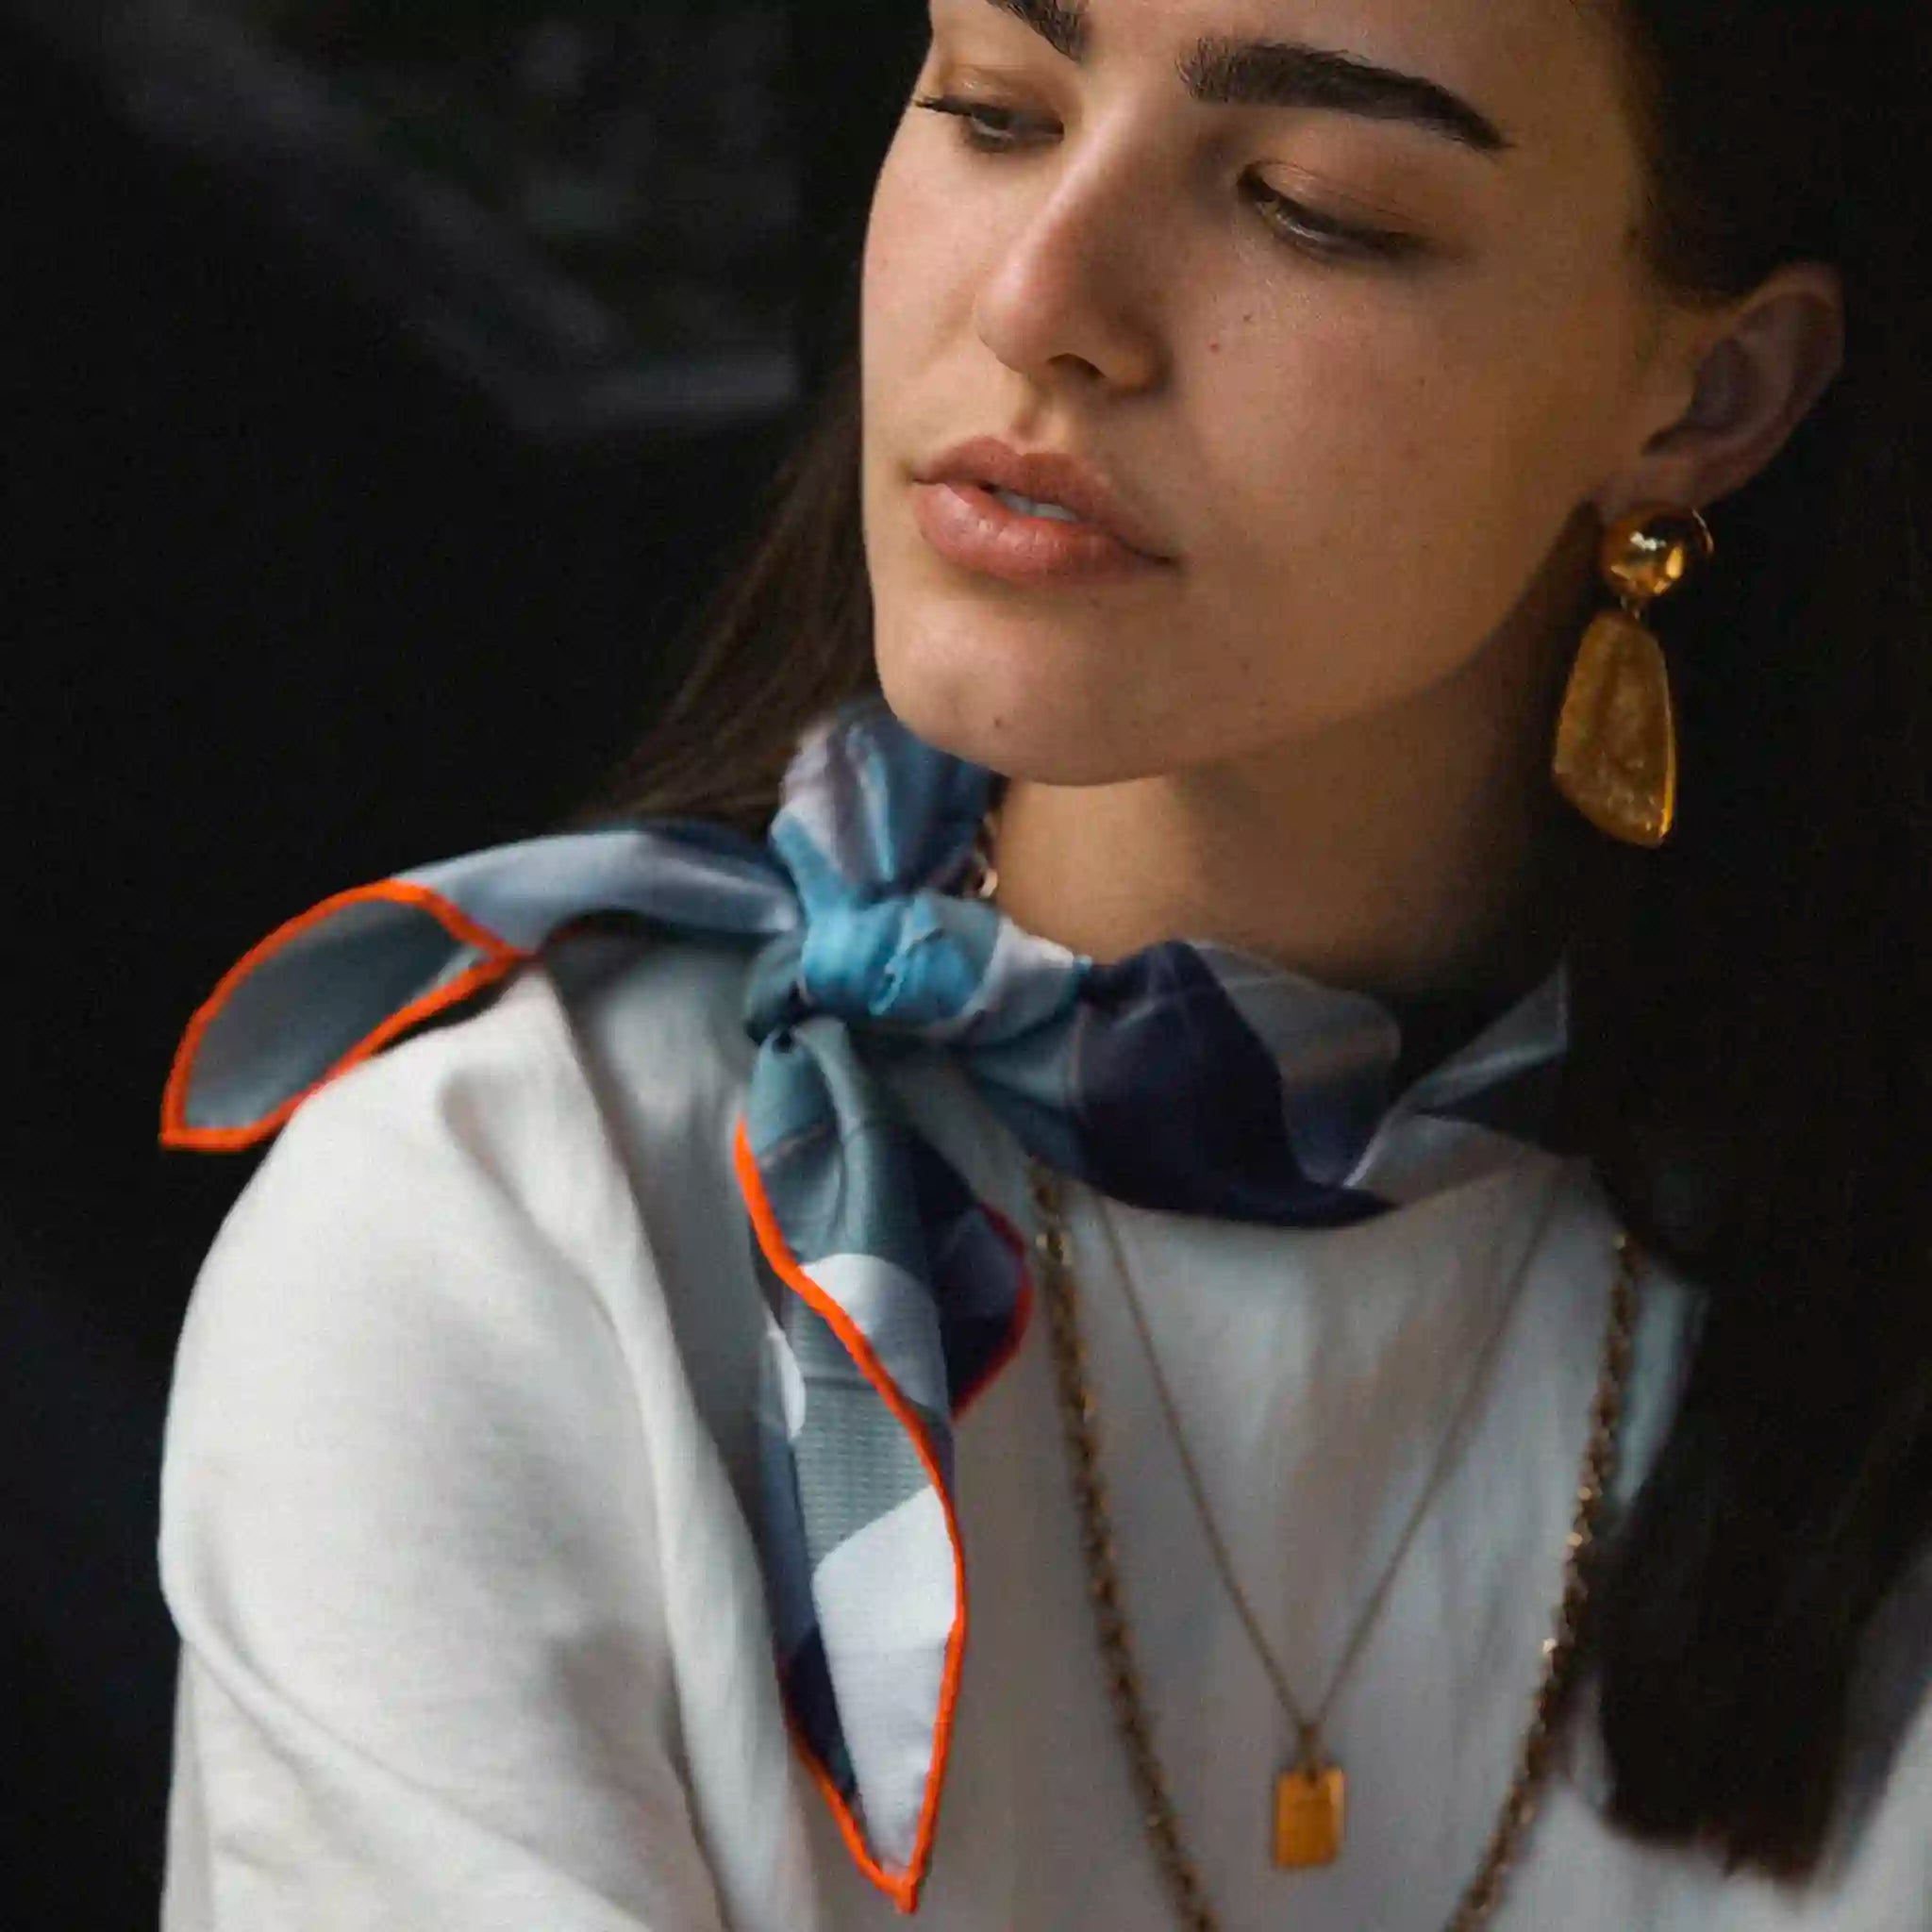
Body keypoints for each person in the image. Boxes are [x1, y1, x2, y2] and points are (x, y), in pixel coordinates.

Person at [155, 0, 1932, 1925]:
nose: (1039, 297)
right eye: (994, 108)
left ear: (1709, 397)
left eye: (1310, 205)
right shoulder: (513, 1232)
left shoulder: (1838, 1249)